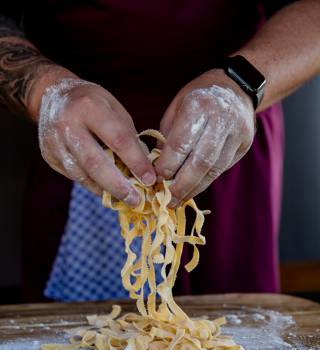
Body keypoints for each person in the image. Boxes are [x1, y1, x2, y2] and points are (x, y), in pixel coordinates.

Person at [0, 1, 319, 302]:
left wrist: (241, 84)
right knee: (79, 342)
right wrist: (47, 91)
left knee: (231, 332)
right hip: (77, 134)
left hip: (227, 129)